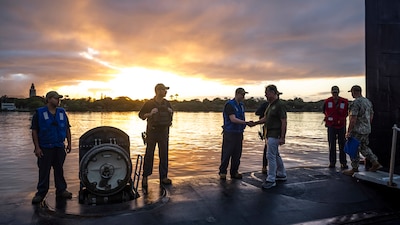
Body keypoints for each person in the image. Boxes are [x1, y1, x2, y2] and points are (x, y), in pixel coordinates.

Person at [31, 91, 72, 204]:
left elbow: (67, 128)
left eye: (58, 98)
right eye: (55, 98)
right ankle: (41, 193)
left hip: (59, 146)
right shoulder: (39, 113)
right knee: (44, 171)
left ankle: (61, 190)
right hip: (45, 147)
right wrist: (37, 148)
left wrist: (69, 143)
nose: (58, 100)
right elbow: (34, 131)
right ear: (48, 99)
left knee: (59, 170)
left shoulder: (62, 112)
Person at [252, 85, 287, 189]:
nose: (265, 95)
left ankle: (271, 179)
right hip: (269, 133)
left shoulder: (279, 105)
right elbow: (266, 118)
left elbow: (284, 121)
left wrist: (282, 137)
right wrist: (255, 123)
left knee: (270, 156)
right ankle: (281, 173)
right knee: (275, 154)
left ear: (272, 92)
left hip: (274, 134)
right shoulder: (270, 105)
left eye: (267, 93)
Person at [343, 85, 382, 176]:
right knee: (364, 147)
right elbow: (371, 116)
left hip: (357, 130)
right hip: (366, 129)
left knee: (353, 148)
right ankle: (375, 162)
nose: (352, 94)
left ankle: (354, 168)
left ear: (354, 92)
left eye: (352, 92)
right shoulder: (368, 102)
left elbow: (353, 119)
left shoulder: (356, 103)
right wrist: (367, 126)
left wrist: (349, 131)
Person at [139, 83, 174, 187]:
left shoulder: (167, 103)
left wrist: (170, 111)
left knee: (164, 154)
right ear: (158, 91)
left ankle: (163, 177)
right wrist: (150, 114)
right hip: (152, 132)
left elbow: (171, 115)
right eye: (163, 90)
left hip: (164, 132)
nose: (165, 92)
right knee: (149, 154)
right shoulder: (149, 103)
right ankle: (145, 176)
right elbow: (141, 115)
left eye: (165, 90)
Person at [218, 87, 250, 180]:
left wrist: (246, 124)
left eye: (244, 95)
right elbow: (233, 119)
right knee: (227, 153)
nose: (243, 97)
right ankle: (223, 172)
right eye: (242, 95)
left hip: (239, 132)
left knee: (237, 153)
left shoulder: (241, 105)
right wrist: (246, 123)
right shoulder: (230, 105)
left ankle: (234, 172)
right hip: (230, 133)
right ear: (237, 94)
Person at [323, 86, 349, 169]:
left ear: (338, 92)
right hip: (331, 126)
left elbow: (347, 112)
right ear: (331, 92)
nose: (335, 94)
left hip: (341, 126)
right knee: (332, 145)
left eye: (336, 92)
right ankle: (332, 162)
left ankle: (343, 163)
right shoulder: (327, 101)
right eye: (334, 92)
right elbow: (324, 111)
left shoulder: (344, 101)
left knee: (342, 145)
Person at [255, 101, 269, 174]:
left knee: (267, 148)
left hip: (266, 128)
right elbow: (257, 112)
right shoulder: (267, 104)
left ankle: (264, 167)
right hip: (267, 128)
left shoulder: (266, 104)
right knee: (268, 148)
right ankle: (265, 167)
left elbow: (257, 112)